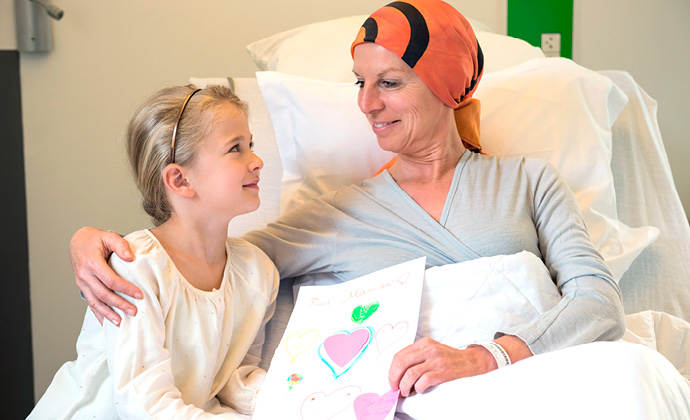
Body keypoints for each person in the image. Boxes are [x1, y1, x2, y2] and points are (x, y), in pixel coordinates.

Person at [69, 0, 625, 400]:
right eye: (360, 83)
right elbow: (204, 259)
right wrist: (94, 244)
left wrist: (485, 356)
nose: (367, 104)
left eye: (389, 82)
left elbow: (598, 300)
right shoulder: (337, 213)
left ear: (446, 83)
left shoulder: (529, 181)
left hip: (530, 381)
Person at [30, 85, 279, 419]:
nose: (257, 161)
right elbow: (143, 404)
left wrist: (299, 401)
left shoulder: (258, 272)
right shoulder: (139, 267)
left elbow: (235, 378)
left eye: (251, 145)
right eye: (236, 148)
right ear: (180, 180)